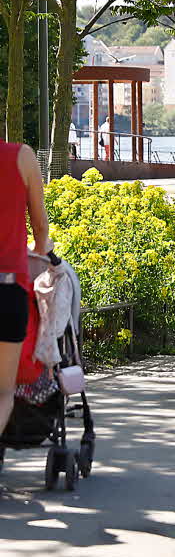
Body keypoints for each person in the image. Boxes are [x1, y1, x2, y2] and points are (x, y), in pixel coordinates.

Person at [0, 141, 53, 434]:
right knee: (4, 392)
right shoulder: (22, 156)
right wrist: (41, 253)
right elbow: (41, 227)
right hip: (8, 289)